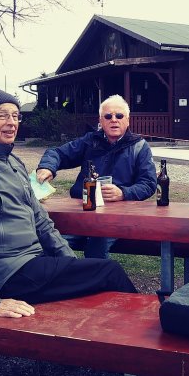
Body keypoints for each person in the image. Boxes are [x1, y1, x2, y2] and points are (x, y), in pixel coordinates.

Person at [0, 89, 137, 319]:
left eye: (15, 116)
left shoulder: (12, 162)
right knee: (110, 271)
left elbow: (42, 222)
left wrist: (71, 263)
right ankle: (145, 333)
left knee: (96, 280)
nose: (11, 122)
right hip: (5, 275)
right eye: (2, 115)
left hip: (33, 263)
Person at [36, 94, 157, 258]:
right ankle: (63, 274)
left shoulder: (140, 146)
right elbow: (57, 153)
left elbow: (149, 183)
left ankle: (96, 275)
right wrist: (47, 167)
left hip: (116, 216)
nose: (114, 120)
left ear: (127, 120)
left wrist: (123, 193)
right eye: (108, 116)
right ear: (101, 120)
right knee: (50, 243)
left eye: (119, 116)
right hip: (83, 211)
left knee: (96, 247)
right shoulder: (90, 140)